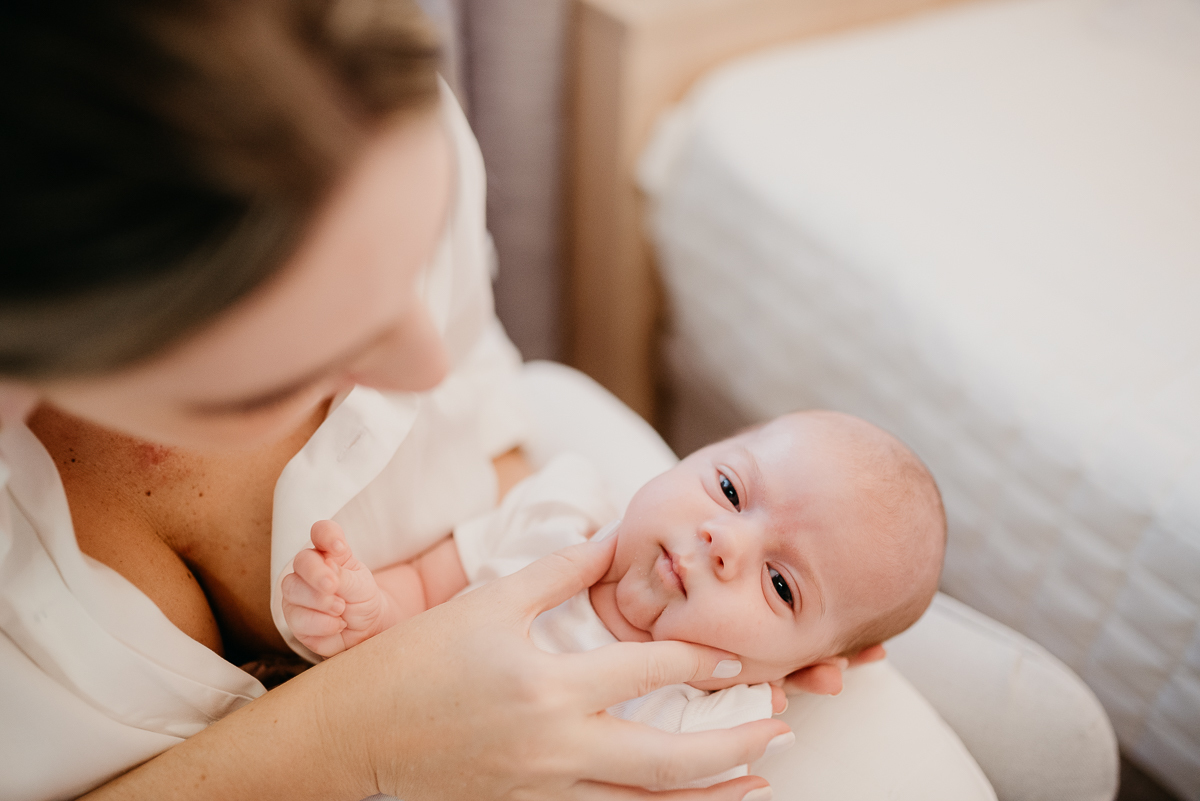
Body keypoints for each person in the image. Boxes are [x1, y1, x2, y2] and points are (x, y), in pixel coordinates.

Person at [0, 2, 870, 799]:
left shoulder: (354, 81)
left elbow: (484, 419)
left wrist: (761, 616)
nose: (429, 365)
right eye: (329, 344)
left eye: (416, 263)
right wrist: (359, 733)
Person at [281, 411, 944, 788]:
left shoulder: (708, 728)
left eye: (780, 585)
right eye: (730, 491)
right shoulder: (556, 513)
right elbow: (428, 590)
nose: (725, 542)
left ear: (812, 665)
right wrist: (366, 615)